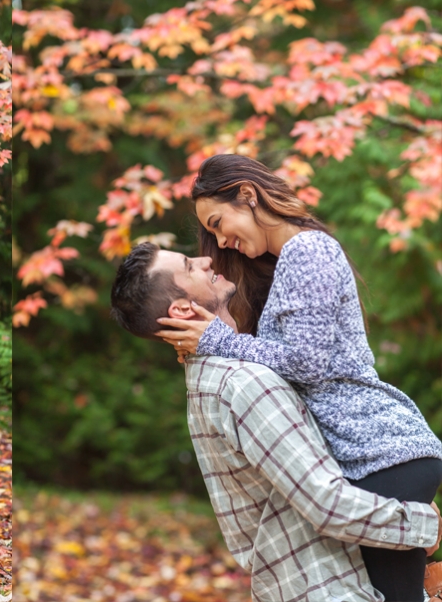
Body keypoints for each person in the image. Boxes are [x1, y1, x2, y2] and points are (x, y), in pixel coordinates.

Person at [151, 154, 442, 600]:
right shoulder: (289, 259)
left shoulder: (308, 250)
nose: (220, 240)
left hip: (380, 449)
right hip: (364, 455)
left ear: (247, 195)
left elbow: (307, 364)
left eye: (217, 222)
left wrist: (218, 341)